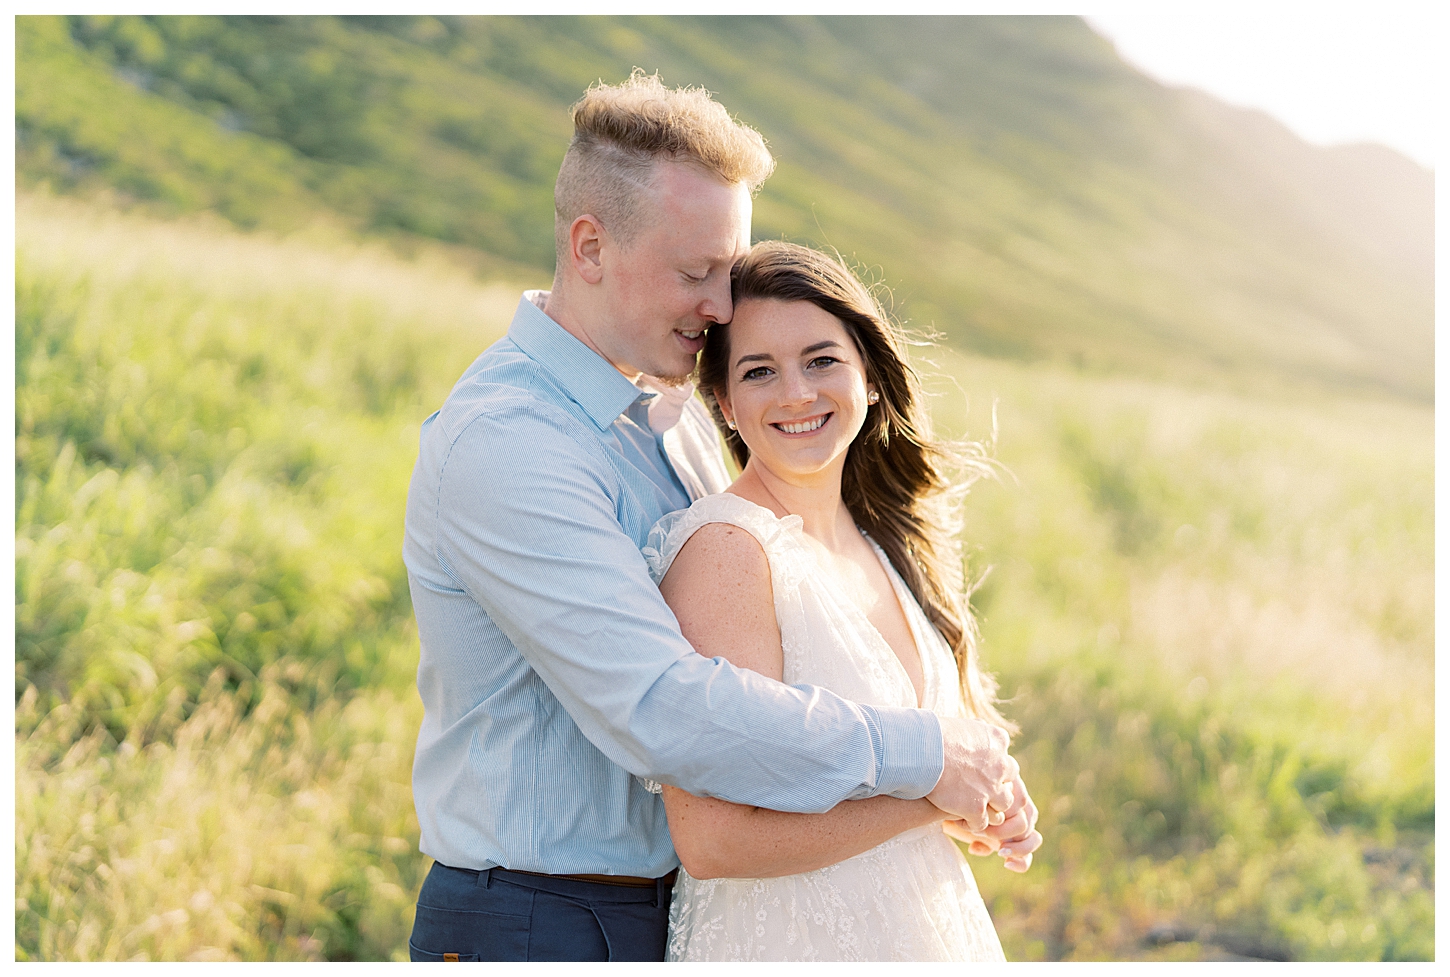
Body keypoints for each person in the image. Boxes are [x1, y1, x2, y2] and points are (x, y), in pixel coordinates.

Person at [402, 71, 1028, 963]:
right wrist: (925, 758)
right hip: (541, 919)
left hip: (679, 912)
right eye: (695, 273)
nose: (722, 308)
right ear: (590, 247)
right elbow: (660, 709)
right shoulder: (508, 445)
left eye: (726, 273)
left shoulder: (675, 417)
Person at [647, 240, 1041, 961]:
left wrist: (982, 800)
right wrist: (932, 794)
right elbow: (712, 838)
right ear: (727, 405)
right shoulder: (730, 552)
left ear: (869, 374)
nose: (796, 392)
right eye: (760, 371)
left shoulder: (880, 539)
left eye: (821, 358)